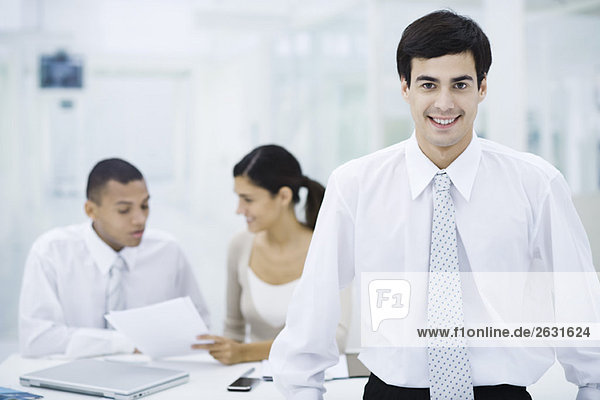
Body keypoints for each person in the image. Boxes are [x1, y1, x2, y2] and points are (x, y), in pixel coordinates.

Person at [269, 10, 600, 400]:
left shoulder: (537, 184)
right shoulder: (354, 185)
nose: (444, 103)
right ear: (406, 88)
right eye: (429, 84)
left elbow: (581, 309)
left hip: (501, 392)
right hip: (392, 392)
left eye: (460, 84)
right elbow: (314, 311)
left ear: (482, 87)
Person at [19, 158, 210, 358]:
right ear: (91, 210)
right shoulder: (51, 252)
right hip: (75, 377)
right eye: (124, 210)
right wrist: (125, 343)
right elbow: (36, 340)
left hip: (152, 375)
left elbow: (200, 328)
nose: (140, 219)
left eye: (144, 206)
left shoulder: (168, 251)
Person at [192, 145, 351, 365]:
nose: (239, 209)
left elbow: (337, 338)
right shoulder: (239, 246)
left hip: (314, 380)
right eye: (238, 198)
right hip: (250, 380)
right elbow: (233, 331)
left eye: (248, 200)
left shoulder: (328, 246)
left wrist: (246, 352)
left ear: (284, 196)